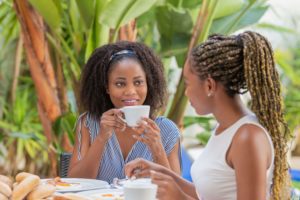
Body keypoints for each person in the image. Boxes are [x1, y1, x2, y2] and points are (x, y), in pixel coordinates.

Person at [125, 31, 291, 200]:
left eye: (188, 84)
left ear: (210, 86)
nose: (186, 92)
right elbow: (206, 194)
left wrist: (179, 198)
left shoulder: (248, 137)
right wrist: (158, 172)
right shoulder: (225, 129)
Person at [68, 41, 181, 183]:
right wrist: (102, 137)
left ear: (148, 84)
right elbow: (74, 183)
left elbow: (178, 192)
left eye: (138, 82)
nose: (130, 92)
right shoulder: (89, 123)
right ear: (107, 87)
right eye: (120, 84)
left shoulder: (166, 130)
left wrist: (156, 146)